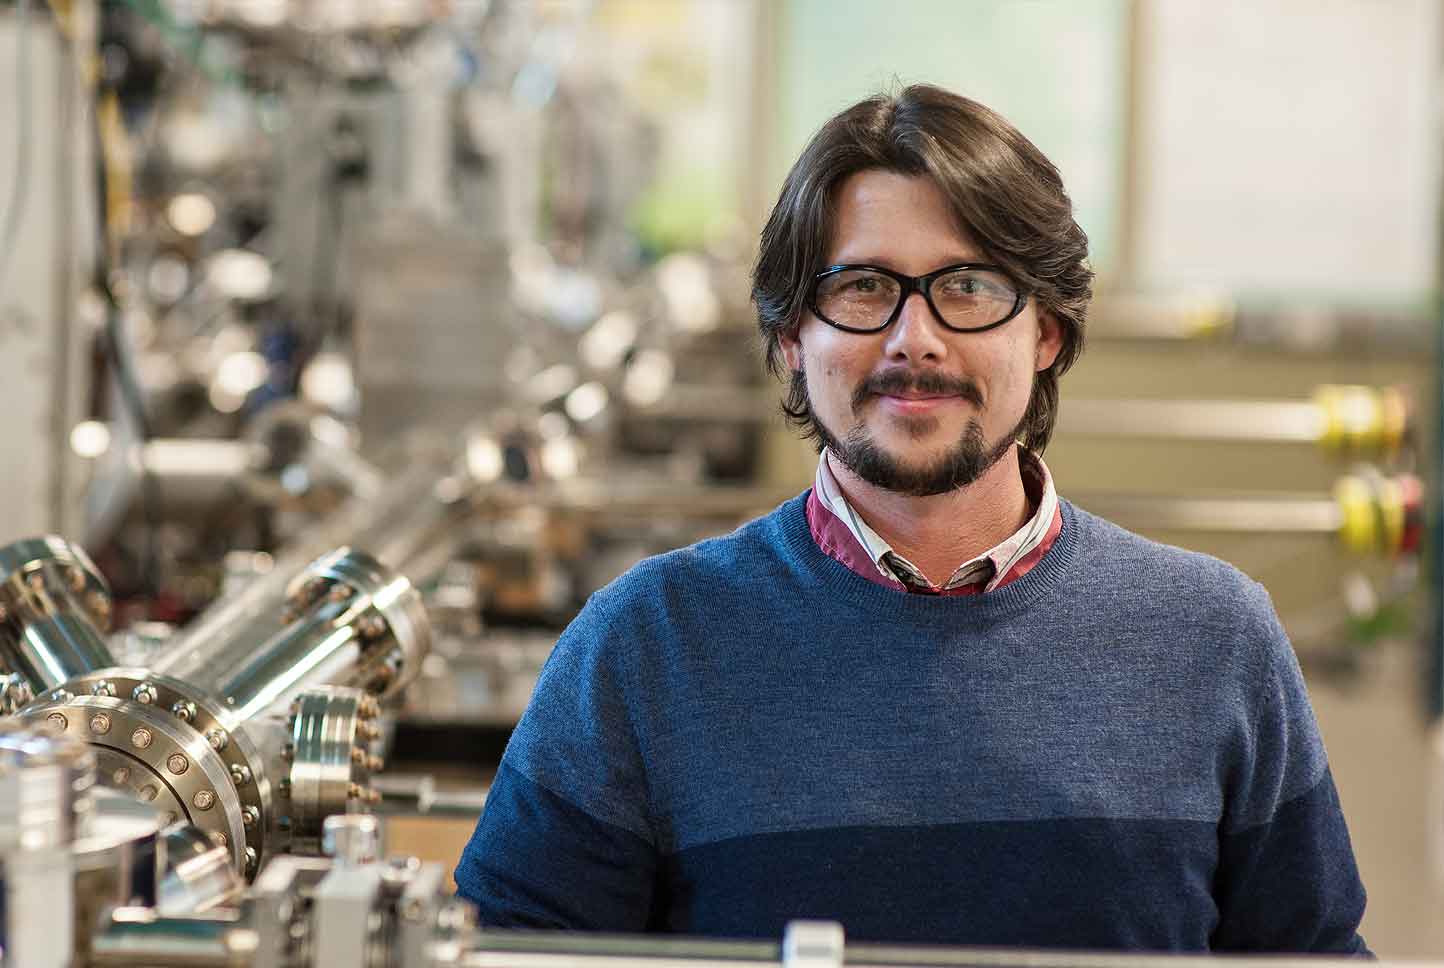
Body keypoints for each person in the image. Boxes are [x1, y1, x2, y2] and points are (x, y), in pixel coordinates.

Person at [454, 84, 1369, 953]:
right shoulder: (644, 647)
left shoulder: (1213, 638)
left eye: (968, 286)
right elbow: (506, 955)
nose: (914, 338)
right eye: (861, 288)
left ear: (1046, 330)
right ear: (789, 337)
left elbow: (1312, 956)